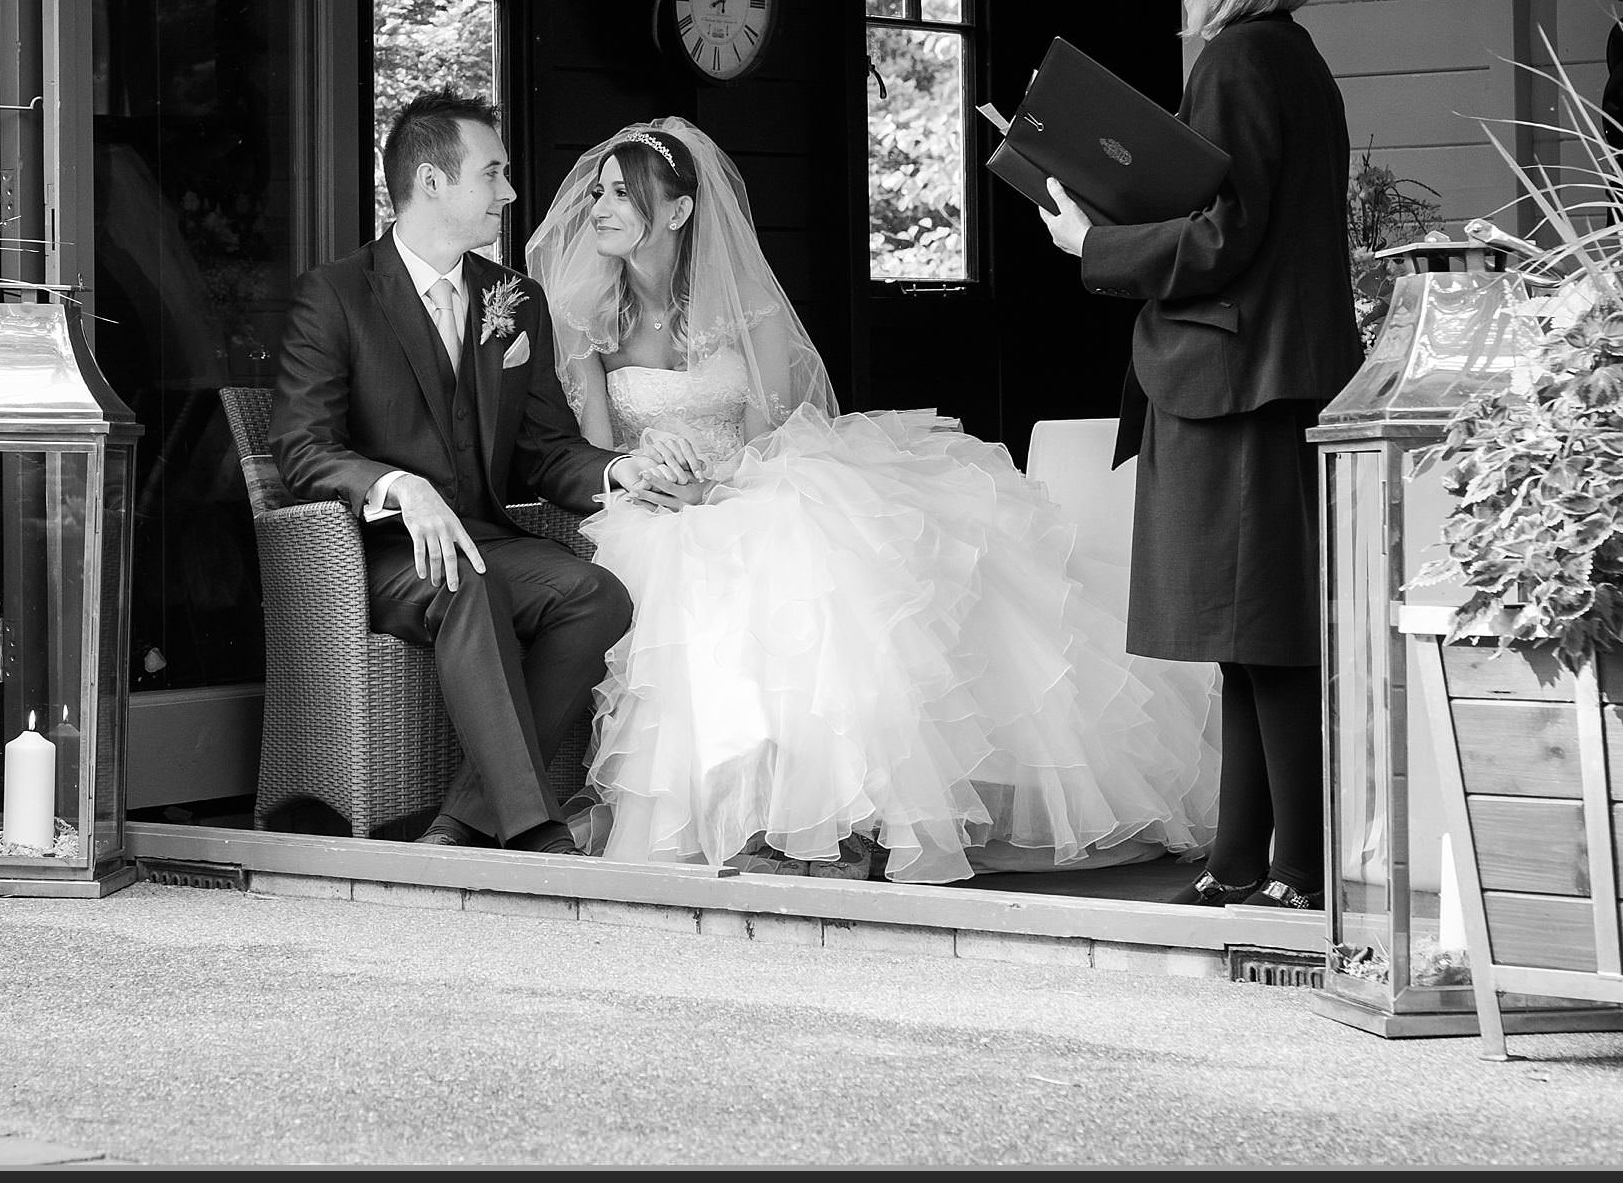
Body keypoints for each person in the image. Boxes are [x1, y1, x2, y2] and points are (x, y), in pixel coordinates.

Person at [524, 116, 1221, 884]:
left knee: (823, 557)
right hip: (654, 504)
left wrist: (714, 484)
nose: (599, 206)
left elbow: (770, 436)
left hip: (749, 480)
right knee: (699, 568)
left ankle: (846, 815)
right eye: (599, 192)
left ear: (681, 212)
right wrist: (648, 464)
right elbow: (596, 448)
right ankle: (752, 811)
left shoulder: (738, 310)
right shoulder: (590, 321)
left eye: (622, 193)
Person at [1037, 0, 1362, 911]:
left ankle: (1298, 871)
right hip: (1268, 379)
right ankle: (1243, 862)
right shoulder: (1293, 60)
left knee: (1263, 643)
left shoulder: (1239, 58)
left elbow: (1227, 235)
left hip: (1241, 386)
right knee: (1249, 641)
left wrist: (1097, 242)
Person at [268, 90, 695, 855]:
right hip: (387, 556)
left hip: (489, 539)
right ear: (431, 183)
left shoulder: (513, 300)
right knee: (465, 585)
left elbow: (546, 449)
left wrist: (619, 469)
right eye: (491, 173)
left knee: (597, 595)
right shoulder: (334, 296)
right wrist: (396, 486)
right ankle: (535, 833)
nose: (509, 192)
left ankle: (464, 818)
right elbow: (301, 447)